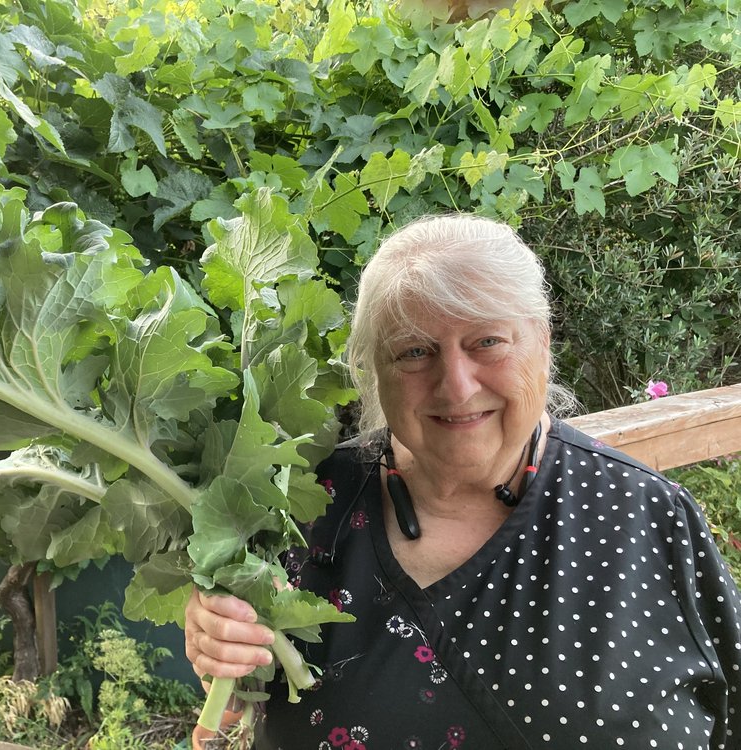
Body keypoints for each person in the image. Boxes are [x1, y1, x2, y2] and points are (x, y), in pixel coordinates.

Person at [184, 214, 741, 749]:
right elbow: (232, 719)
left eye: (487, 342)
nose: (456, 386)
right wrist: (224, 663)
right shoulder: (299, 506)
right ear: (373, 371)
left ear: (541, 343)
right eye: (414, 351)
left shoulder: (644, 513)